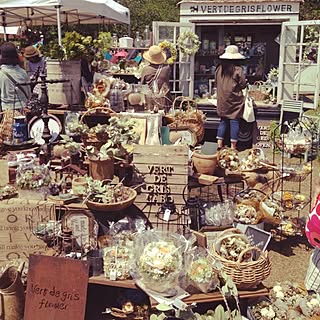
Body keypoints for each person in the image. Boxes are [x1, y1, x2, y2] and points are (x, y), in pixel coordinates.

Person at [215, 45, 247, 150]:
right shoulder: (238, 69)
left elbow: (216, 82)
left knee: (223, 121)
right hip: (234, 100)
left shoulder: (219, 69)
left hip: (222, 99)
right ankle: (233, 146)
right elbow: (243, 84)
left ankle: (219, 144)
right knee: (234, 121)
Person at [0, 42, 31, 111]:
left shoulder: (1, 73)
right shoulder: (23, 72)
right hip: (24, 109)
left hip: (7, 111)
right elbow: (29, 94)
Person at [141, 45, 171, 110]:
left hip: (151, 100)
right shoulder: (167, 68)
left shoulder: (146, 69)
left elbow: (142, 84)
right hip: (164, 99)